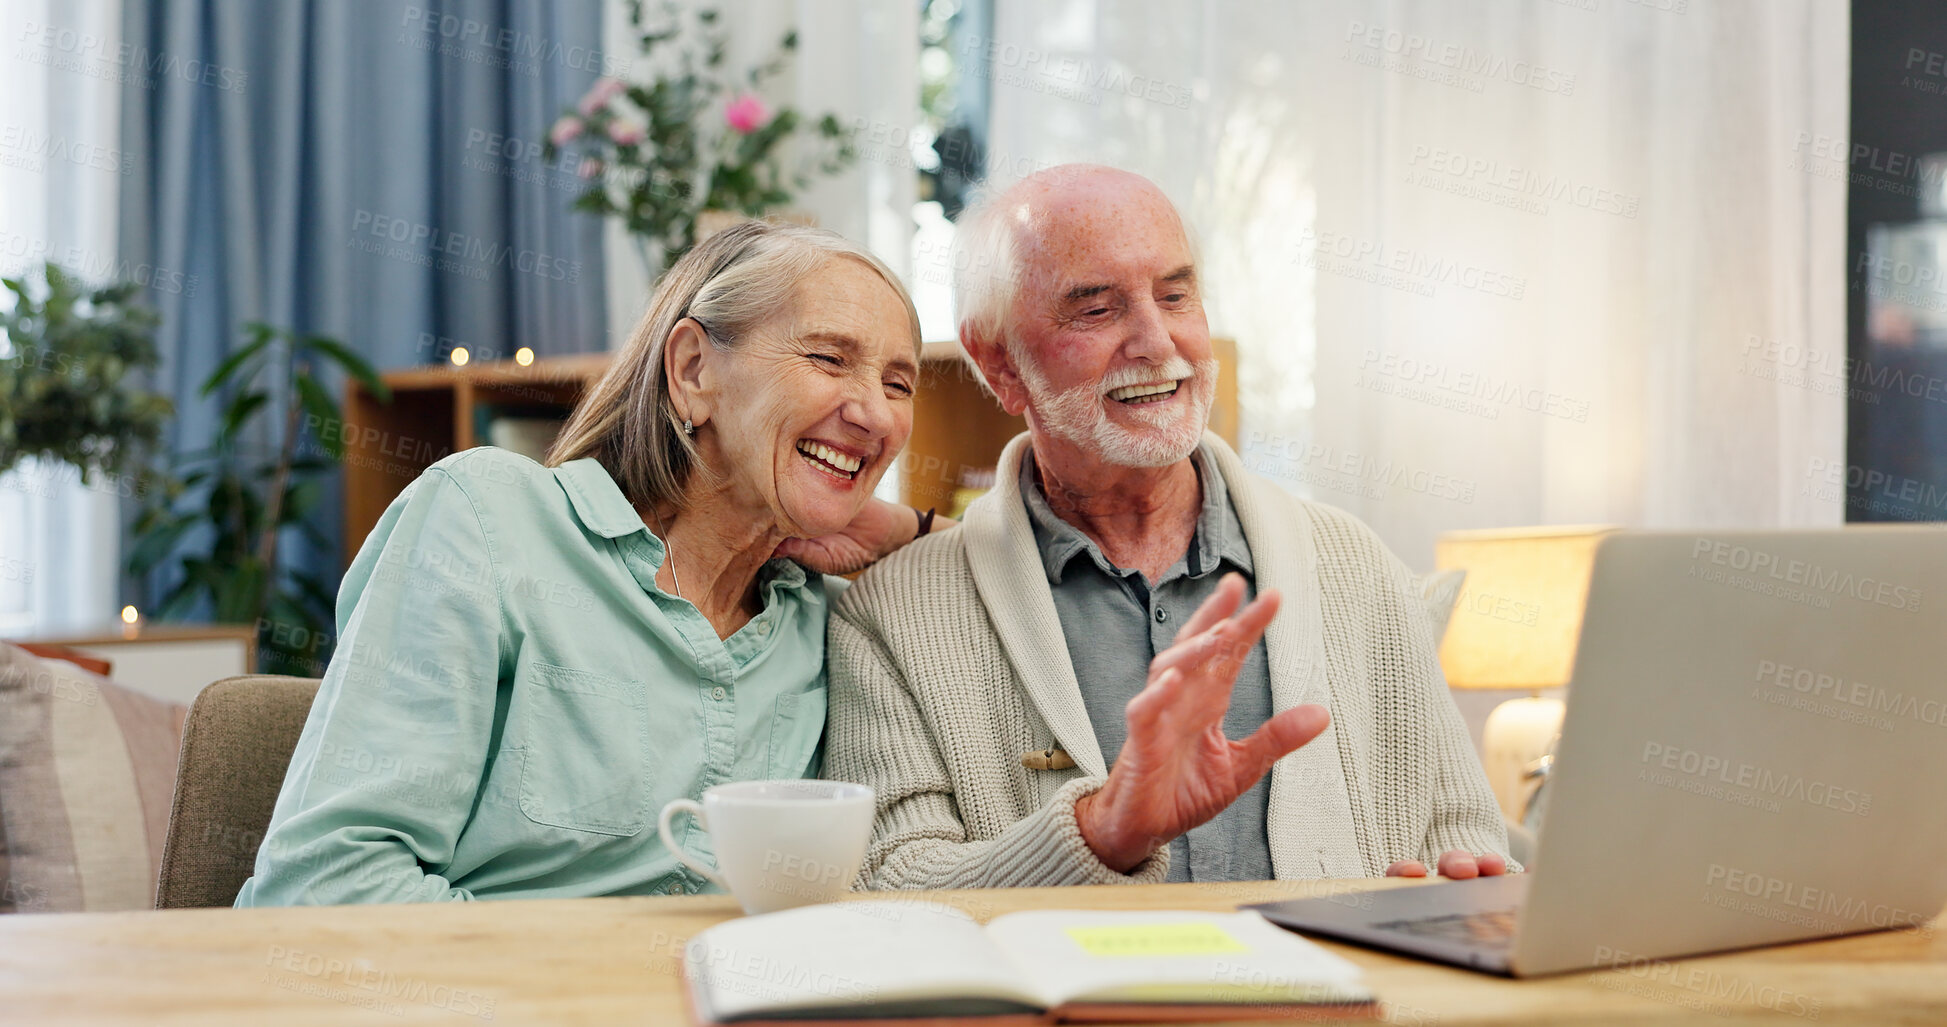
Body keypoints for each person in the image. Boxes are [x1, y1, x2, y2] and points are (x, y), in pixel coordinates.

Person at [823, 165, 1514, 887]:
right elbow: (890, 885)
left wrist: (1454, 884)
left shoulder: (1355, 565)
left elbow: (1459, 830)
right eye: (1095, 309)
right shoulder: (891, 615)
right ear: (999, 363)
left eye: (1175, 294)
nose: (1157, 341)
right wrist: (1102, 831)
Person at [237, 220, 940, 904]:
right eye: (828, 358)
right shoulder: (487, 522)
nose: (875, 415)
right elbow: (322, 887)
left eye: (899, 384)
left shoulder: (826, 620)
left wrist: (909, 530)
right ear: (693, 370)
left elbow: (1027, 582)